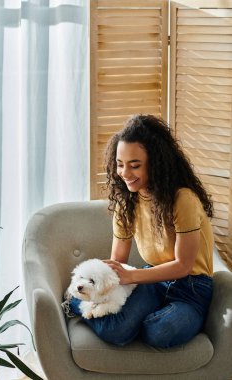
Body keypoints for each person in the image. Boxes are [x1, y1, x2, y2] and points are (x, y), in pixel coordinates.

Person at [70, 114, 214, 348]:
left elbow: (183, 266)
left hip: (192, 288)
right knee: (117, 332)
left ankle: (88, 307)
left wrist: (132, 277)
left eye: (134, 165)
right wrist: (109, 283)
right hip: (152, 282)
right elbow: (118, 262)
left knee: (160, 332)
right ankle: (75, 301)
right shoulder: (126, 203)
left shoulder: (182, 199)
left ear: (156, 163)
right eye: (120, 164)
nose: (125, 173)